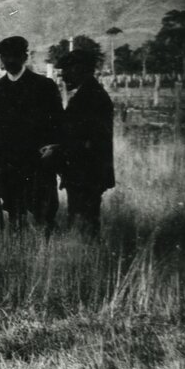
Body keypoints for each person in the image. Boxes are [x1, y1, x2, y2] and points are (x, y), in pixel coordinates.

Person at [0, 35, 62, 232]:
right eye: (5, 57)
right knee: (14, 215)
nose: (9, 61)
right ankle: (18, 255)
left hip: (38, 164)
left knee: (44, 215)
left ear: (24, 57)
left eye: (14, 56)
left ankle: (45, 256)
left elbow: (59, 124)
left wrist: (53, 147)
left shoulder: (44, 87)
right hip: (9, 165)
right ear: (0, 59)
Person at [56, 46, 114, 237]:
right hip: (83, 172)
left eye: (66, 70)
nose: (63, 76)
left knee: (85, 222)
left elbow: (92, 141)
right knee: (82, 219)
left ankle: (85, 257)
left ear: (79, 69)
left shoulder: (93, 97)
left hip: (87, 173)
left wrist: (59, 149)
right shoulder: (86, 94)